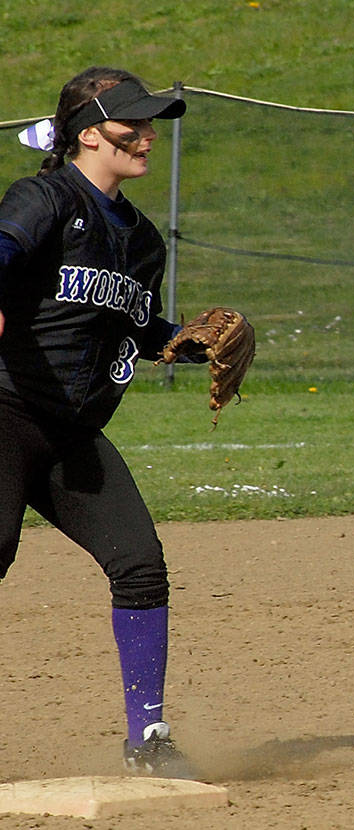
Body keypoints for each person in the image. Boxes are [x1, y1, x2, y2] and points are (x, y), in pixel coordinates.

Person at [0, 67, 198, 777]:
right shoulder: (45, 195)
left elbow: (137, 329)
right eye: (131, 123)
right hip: (5, 410)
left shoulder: (142, 241)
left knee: (140, 565)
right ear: (88, 134)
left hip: (72, 434)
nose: (147, 134)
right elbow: (4, 246)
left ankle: (148, 739)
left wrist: (186, 342)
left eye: (151, 123)